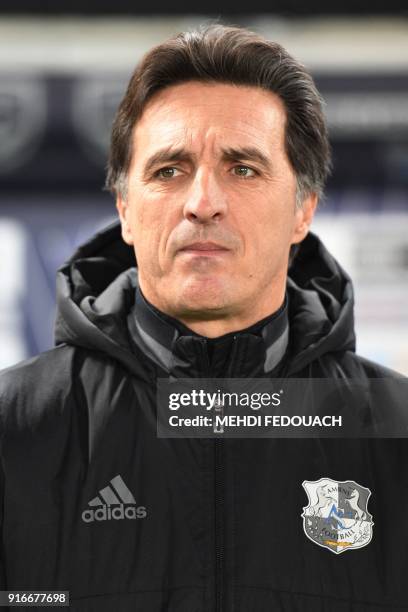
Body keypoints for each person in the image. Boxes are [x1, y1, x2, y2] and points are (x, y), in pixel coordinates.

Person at [0, 24, 407, 612]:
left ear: (303, 210)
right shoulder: (17, 427)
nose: (202, 201)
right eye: (169, 170)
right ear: (126, 211)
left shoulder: (392, 431)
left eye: (243, 168)